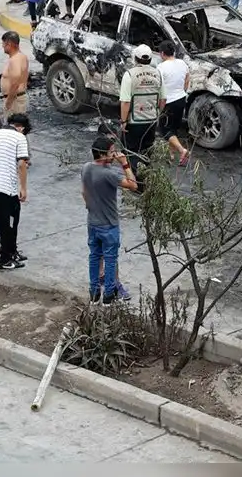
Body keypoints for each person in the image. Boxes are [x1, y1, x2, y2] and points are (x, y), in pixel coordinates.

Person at [82, 135, 138, 304]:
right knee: (110, 258)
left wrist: (91, 207)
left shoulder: (86, 167)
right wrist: (125, 164)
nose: (115, 155)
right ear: (102, 154)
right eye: (112, 152)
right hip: (109, 225)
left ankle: (94, 292)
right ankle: (108, 295)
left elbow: (84, 192)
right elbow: (133, 185)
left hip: (92, 222)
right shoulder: (109, 174)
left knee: (94, 256)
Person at [0, 113, 31, 270]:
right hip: (8, 190)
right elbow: (22, 164)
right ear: (22, 128)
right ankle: (5, 259)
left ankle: (12, 252)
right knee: (10, 225)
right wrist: (23, 188)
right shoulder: (19, 137)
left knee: (5, 224)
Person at [119, 45, 166, 181]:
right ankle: (146, 180)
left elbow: (125, 102)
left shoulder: (129, 75)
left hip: (133, 122)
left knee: (131, 152)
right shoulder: (158, 74)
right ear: (150, 59)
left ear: (135, 58)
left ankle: (136, 183)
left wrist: (123, 121)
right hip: (151, 121)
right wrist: (157, 114)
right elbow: (163, 99)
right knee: (146, 152)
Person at [157, 40, 190, 166]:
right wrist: (183, 91)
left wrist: (158, 105)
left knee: (165, 130)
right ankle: (170, 155)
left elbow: (159, 86)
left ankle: (182, 150)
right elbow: (187, 78)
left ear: (162, 53)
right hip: (181, 99)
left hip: (168, 102)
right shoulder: (182, 63)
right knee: (173, 129)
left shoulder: (161, 67)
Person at [1, 31, 29, 119]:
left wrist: (8, 103)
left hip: (14, 101)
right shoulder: (22, 56)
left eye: (3, 44)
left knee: (12, 128)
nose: (2, 46)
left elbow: (15, 83)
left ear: (9, 44)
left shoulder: (14, 60)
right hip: (18, 98)